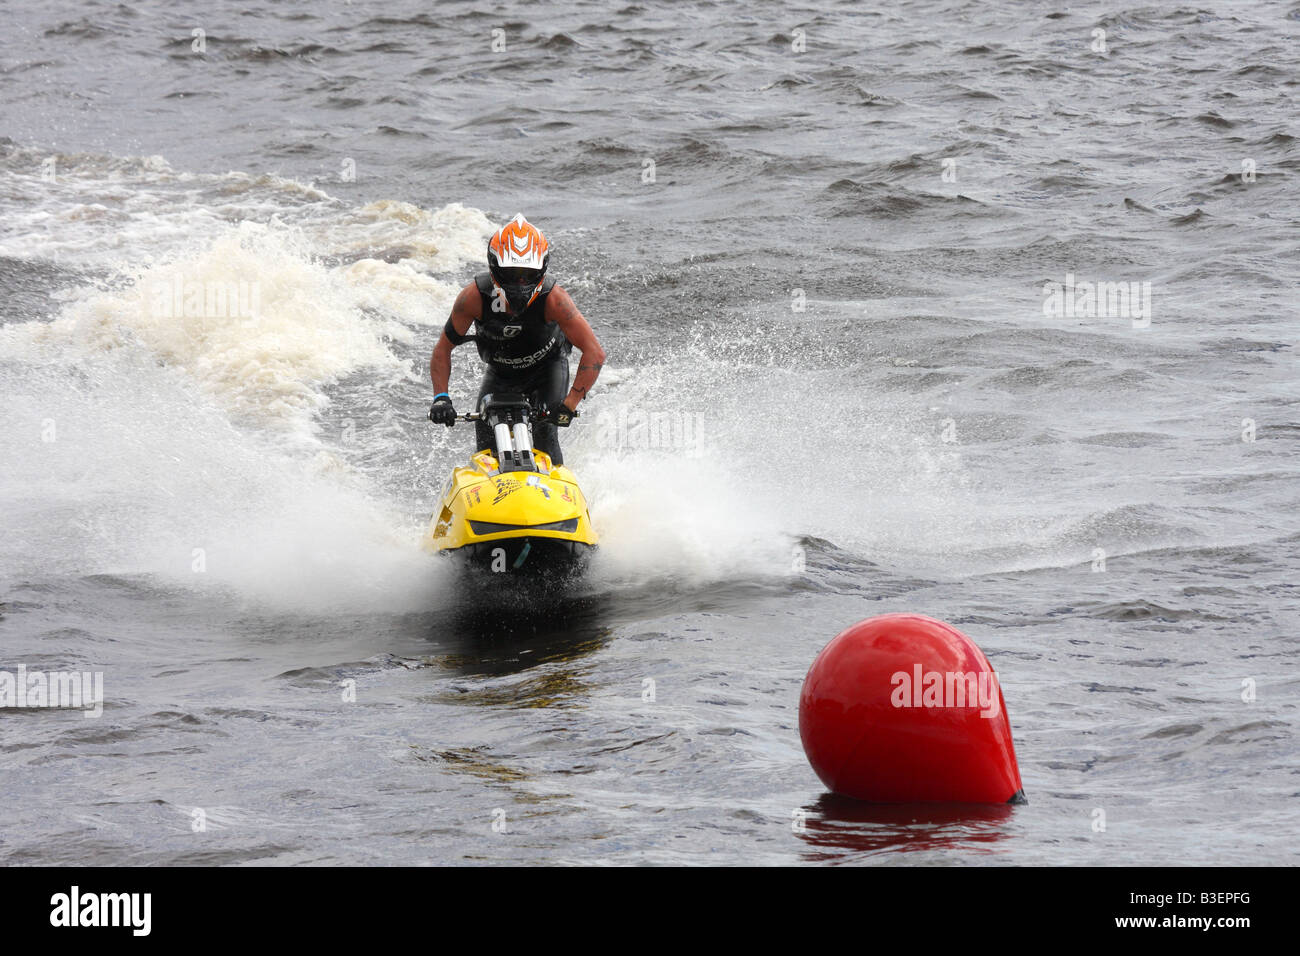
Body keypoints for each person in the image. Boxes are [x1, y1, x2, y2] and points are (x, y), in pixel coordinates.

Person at [428, 214, 605, 465]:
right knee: (485, 434)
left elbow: (594, 352)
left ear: (541, 269)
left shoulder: (555, 300)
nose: (519, 284)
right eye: (511, 274)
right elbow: (443, 350)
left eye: (527, 275)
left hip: (548, 369)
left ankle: (555, 491)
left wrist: (569, 404)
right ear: (494, 267)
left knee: (545, 434)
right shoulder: (473, 298)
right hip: (501, 373)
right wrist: (441, 399)